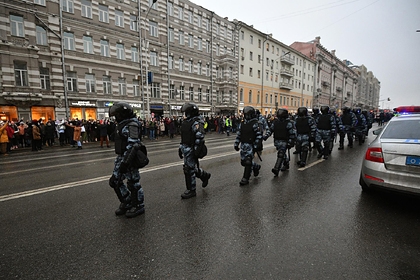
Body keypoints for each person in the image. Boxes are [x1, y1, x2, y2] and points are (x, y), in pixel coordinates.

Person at [109, 102, 145, 217]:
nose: (116, 117)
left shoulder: (132, 124)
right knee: (115, 181)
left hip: (130, 158)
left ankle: (138, 205)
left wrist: (126, 162)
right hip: (121, 157)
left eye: (117, 115)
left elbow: (134, 144)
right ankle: (127, 201)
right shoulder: (121, 124)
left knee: (133, 183)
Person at [178, 102, 211, 199]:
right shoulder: (186, 122)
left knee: (189, 169)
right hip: (186, 148)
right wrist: (180, 148)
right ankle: (204, 175)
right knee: (190, 168)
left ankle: (191, 190)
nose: (185, 115)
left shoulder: (197, 123)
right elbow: (183, 137)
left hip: (192, 149)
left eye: (186, 113)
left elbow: (199, 137)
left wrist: (196, 150)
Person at [234, 106, 263, 185]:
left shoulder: (255, 123)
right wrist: (236, 143)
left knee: (248, 161)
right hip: (243, 145)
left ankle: (245, 178)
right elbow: (239, 134)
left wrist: (256, 145)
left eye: (247, 114)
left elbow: (259, 135)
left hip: (251, 145)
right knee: (243, 162)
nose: (246, 116)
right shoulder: (242, 123)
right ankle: (256, 167)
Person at [263, 108, 296, 176]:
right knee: (282, 154)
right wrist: (266, 136)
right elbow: (271, 130)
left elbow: (292, 133)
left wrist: (290, 141)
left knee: (281, 153)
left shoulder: (288, 123)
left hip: (284, 141)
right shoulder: (276, 122)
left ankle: (276, 168)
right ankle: (286, 163)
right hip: (277, 141)